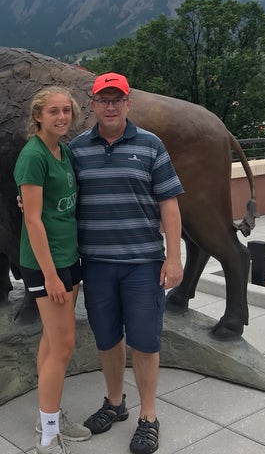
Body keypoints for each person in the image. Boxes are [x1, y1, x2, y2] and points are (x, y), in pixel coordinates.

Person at [70, 72, 184, 454]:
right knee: (107, 339)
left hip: (143, 264)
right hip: (97, 264)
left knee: (145, 342)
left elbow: (169, 203)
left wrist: (174, 256)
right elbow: (59, 194)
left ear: (128, 103)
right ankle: (115, 403)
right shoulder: (77, 149)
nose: (111, 105)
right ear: (93, 104)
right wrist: (27, 200)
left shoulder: (151, 145)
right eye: (104, 99)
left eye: (117, 99)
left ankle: (148, 415)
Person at [13, 87, 92, 454]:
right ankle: (48, 435)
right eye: (54, 112)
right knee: (63, 345)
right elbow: (32, 219)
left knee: (51, 341)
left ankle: (50, 416)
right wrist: (49, 275)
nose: (62, 117)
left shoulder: (65, 151)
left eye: (67, 111)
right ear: (38, 116)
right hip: (48, 264)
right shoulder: (33, 156)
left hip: (68, 256)